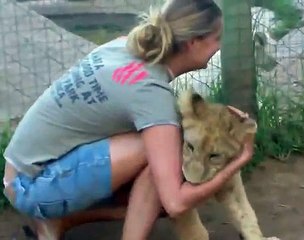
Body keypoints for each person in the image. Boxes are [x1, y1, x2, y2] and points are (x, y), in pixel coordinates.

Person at [2, 0, 255, 239]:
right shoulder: (151, 95)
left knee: (162, 153)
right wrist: (237, 160)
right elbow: (176, 203)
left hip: (21, 174)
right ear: (193, 43)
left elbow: (140, 107)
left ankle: (59, 220)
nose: (220, 46)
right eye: (216, 39)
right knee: (166, 161)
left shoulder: (127, 46)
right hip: (32, 187)